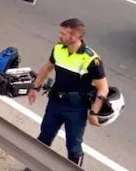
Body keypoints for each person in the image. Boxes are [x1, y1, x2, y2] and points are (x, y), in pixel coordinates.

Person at [28, 19, 109, 166]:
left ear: (75, 37)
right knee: (43, 138)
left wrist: (94, 113)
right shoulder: (59, 48)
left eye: (63, 33)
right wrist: (35, 87)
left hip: (76, 108)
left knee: (73, 148)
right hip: (55, 103)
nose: (59, 36)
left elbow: (103, 88)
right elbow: (47, 68)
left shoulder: (91, 59)